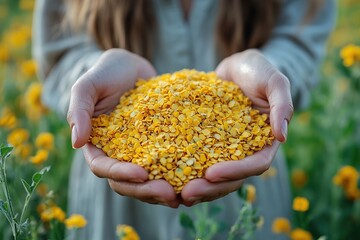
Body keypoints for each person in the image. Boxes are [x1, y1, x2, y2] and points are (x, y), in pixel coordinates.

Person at [32, 0, 335, 239]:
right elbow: (60, 50)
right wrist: (89, 77)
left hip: (250, 189)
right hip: (113, 194)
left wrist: (274, 75)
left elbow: (301, 36)